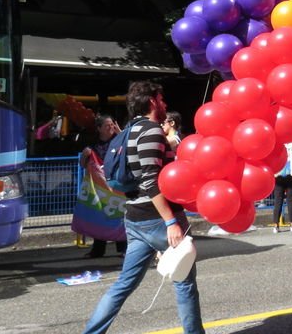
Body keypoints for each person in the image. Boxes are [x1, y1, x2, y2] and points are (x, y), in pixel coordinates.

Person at [83, 81, 204, 334]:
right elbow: (150, 180)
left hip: (135, 218)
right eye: (161, 99)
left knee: (124, 284)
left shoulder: (127, 132)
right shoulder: (151, 131)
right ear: (151, 101)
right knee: (184, 282)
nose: (165, 104)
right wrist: (170, 222)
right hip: (158, 218)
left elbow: (134, 174)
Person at [78, 114, 127, 258]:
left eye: (112, 124)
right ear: (99, 128)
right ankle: (98, 250)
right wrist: (84, 156)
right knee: (99, 216)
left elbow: (129, 152)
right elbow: (83, 165)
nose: (111, 127)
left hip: (116, 186)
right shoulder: (92, 145)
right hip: (100, 188)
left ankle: (123, 249)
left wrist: (121, 135)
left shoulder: (120, 141)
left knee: (118, 216)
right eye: (107, 125)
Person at [271, 141, 292, 233]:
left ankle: (276, 225)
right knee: (291, 200)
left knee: (278, 200)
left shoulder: (276, 142)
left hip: (278, 173)